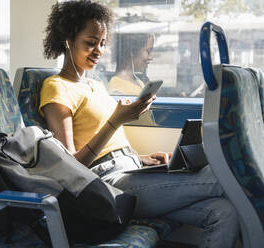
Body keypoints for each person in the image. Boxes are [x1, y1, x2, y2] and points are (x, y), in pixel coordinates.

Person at [40, 1, 239, 247]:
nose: (98, 50)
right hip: (109, 184)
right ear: (68, 39)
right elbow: (70, 167)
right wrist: (115, 121)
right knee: (222, 175)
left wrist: (142, 159)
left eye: (102, 43)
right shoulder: (56, 87)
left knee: (224, 212)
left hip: (131, 170)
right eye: (91, 42)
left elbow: (109, 144)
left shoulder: (95, 85)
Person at [107, 32, 156, 125]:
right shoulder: (116, 90)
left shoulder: (138, 81)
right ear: (132, 52)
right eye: (148, 51)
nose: (151, 57)